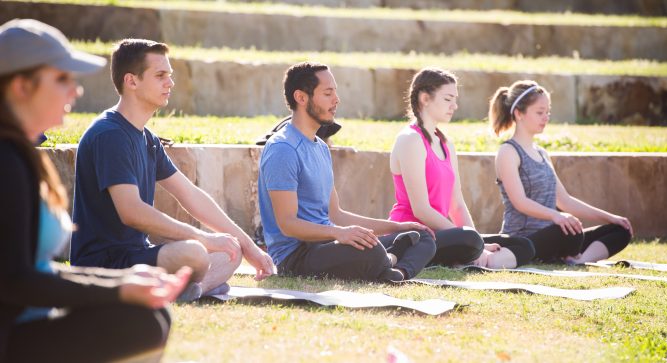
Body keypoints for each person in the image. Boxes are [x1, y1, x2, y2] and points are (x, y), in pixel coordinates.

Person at [0, 19, 190, 363]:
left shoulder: (17, 153)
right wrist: (117, 288)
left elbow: (33, 269)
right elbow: (14, 282)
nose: (76, 90)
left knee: (152, 315)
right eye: (61, 79)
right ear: (20, 87)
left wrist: (123, 282)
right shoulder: (6, 162)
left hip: (23, 327)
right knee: (140, 323)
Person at [70, 38, 275, 301]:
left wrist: (248, 246)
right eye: (160, 75)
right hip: (102, 264)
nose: (170, 83)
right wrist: (203, 238)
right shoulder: (109, 134)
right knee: (195, 253)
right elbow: (131, 211)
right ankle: (186, 289)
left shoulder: (147, 138)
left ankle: (192, 291)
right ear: (131, 81)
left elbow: (192, 196)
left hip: (137, 256)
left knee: (230, 249)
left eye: (170, 75)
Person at [258, 62, 436, 282]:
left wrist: (396, 227)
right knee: (370, 251)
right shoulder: (282, 149)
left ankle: (396, 272)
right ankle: (388, 261)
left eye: (335, 92)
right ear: (301, 98)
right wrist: (338, 233)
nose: (336, 100)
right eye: (328, 93)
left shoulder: (320, 147)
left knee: (423, 237)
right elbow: (288, 224)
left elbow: (336, 215)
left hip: (328, 244)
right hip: (297, 257)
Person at [388, 68, 535, 269]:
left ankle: (473, 260)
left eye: (455, 99)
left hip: (443, 235)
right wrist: (473, 241)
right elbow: (421, 210)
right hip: (415, 236)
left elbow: (456, 203)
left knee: (522, 244)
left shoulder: (446, 143)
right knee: (468, 238)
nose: (455, 106)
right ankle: (476, 260)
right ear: (425, 98)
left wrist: (477, 244)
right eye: (448, 99)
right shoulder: (410, 140)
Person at [490, 80, 632, 264]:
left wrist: (610, 217)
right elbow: (520, 202)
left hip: (555, 235)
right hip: (523, 239)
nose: (546, 117)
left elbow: (564, 201)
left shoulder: (542, 153)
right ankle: (568, 254)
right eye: (540, 112)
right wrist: (556, 216)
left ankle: (579, 262)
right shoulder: (508, 152)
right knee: (568, 233)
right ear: (519, 113)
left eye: (547, 112)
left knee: (620, 230)